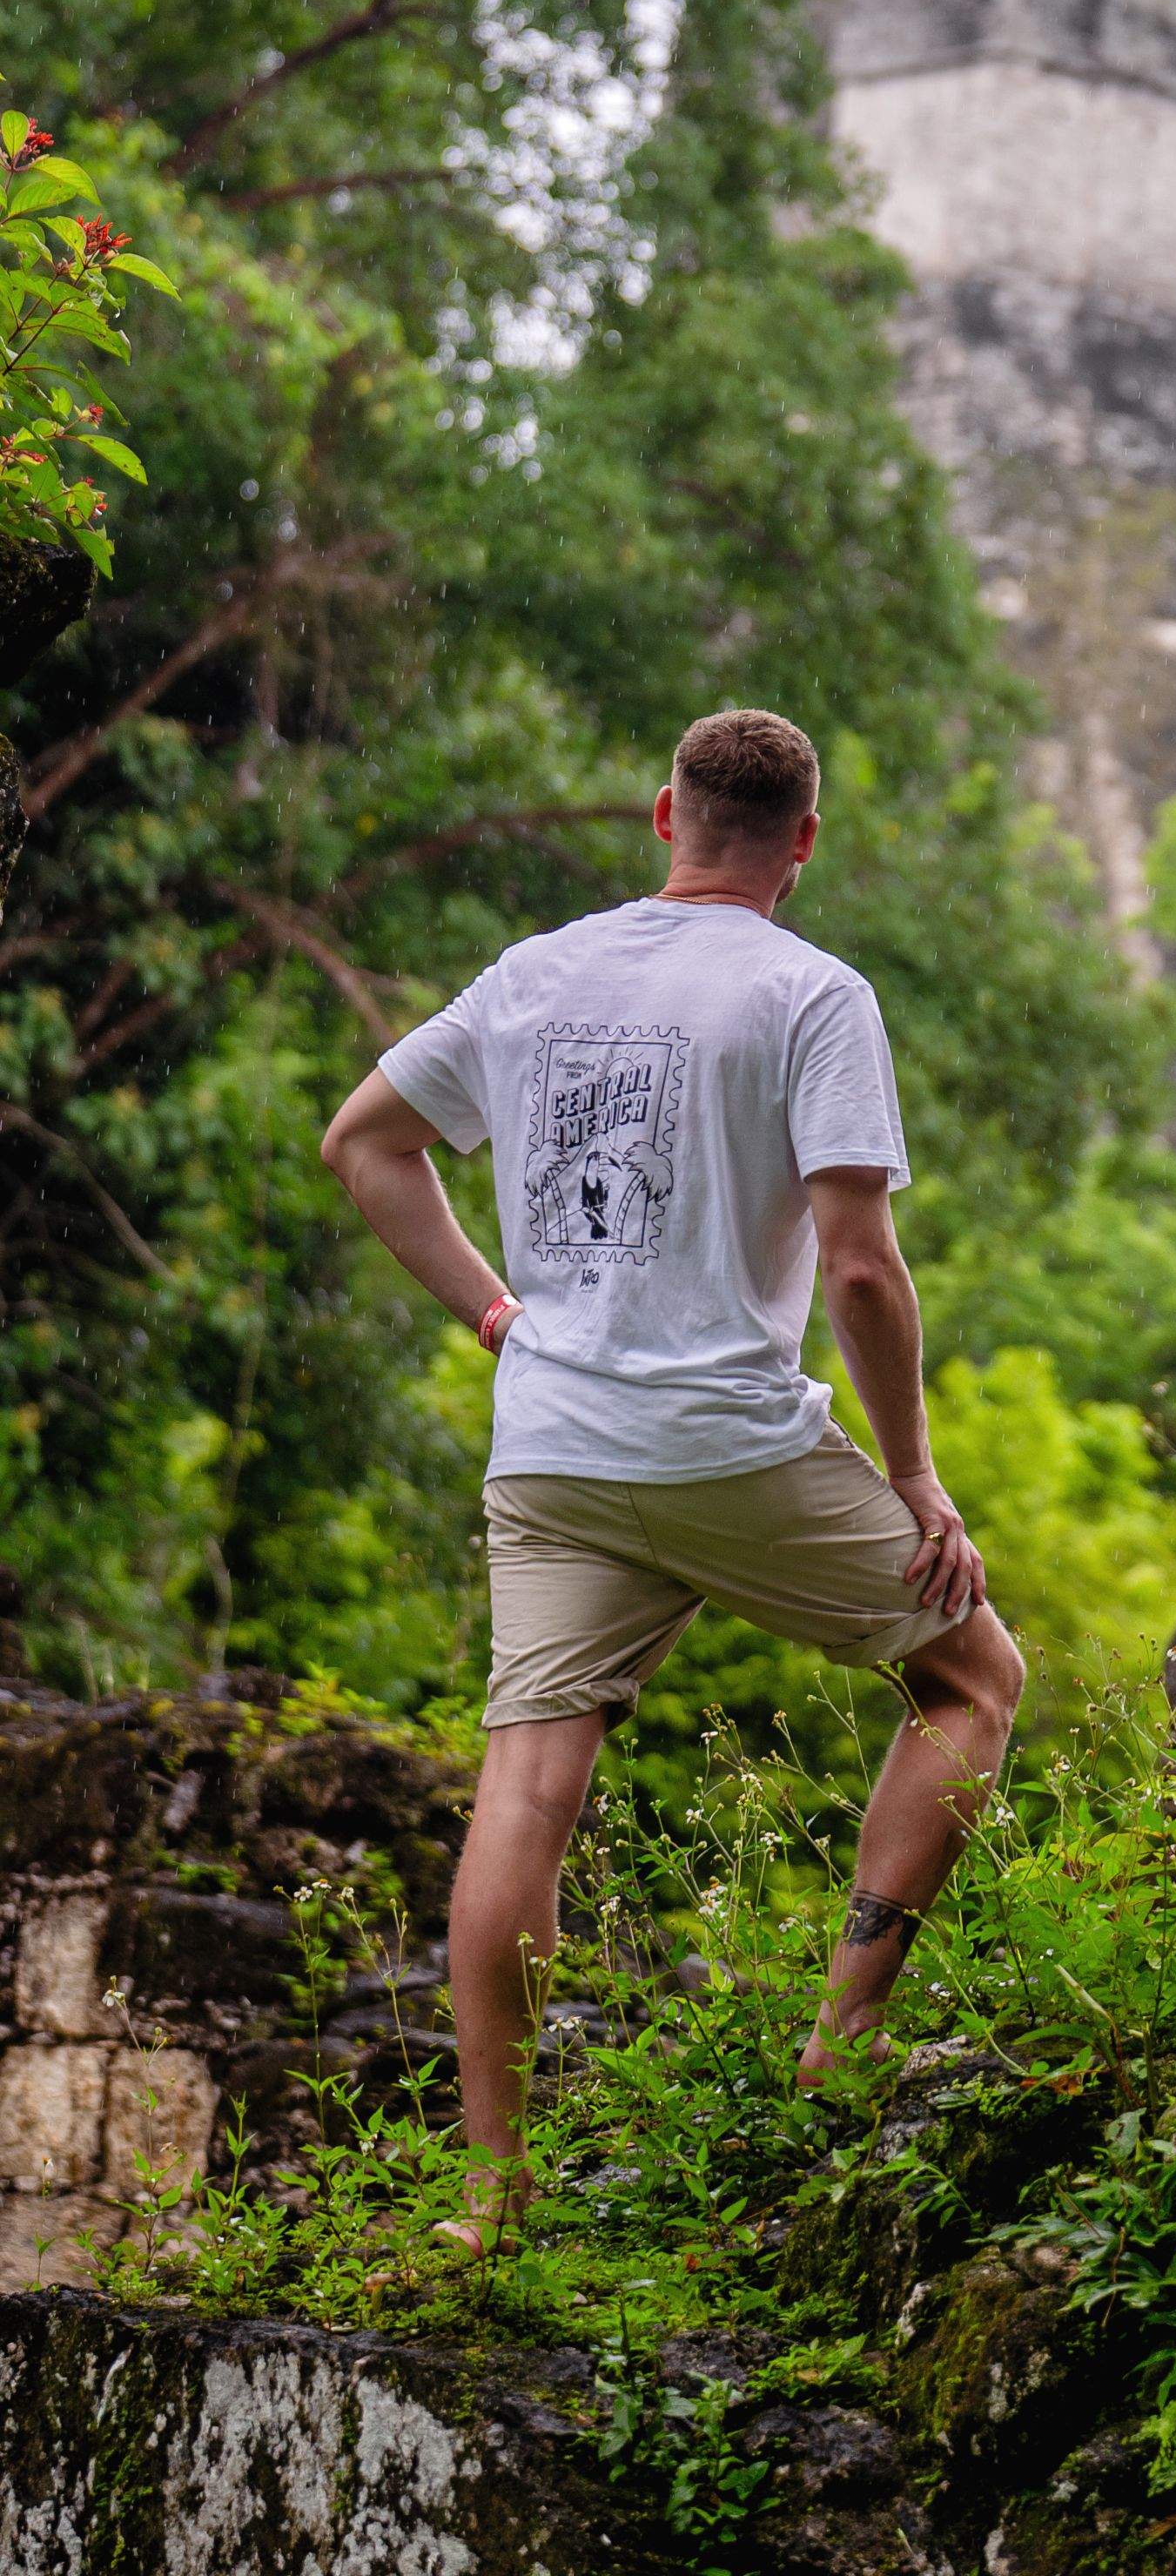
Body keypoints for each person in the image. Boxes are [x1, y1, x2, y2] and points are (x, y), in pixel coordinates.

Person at [320, 705, 1024, 2252]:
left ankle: (489, 2194)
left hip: (555, 1446)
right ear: (803, 843)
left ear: (663, 814)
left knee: (527, 1787)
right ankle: (842, 2040)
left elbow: (365, 1143)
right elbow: (861, 1271)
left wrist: (496, 1315)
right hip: (729, 1443)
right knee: (975, 1681)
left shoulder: (534, 973)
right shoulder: (811, 992)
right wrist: (916, 1478)